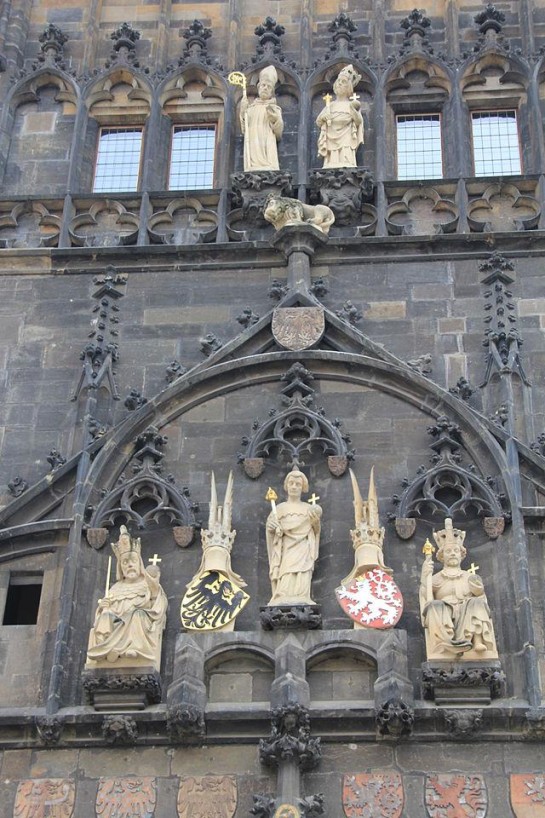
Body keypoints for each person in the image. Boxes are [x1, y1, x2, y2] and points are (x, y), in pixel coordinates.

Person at [86, 526, 167, 668]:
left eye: (133, 561)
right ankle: (106, 648)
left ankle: (134, 648)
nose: (129, 565)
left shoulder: (146, 583)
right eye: (125, 562)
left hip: (138, 619)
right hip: (118, 622)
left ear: (139, 564)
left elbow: (157, 602)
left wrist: (153, 584)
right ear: (120, 567)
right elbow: (108, 609)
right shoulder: (115, 588)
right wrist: (103, 607)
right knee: (105, 616)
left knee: (137, 614)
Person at [419, 519, 498, 661]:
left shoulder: (469, 577)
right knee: (433, 606)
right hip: (445, 612)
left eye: (456, 551)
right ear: (442, 556)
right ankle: (444, 642)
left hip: (467, 611)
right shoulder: (436, 578)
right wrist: (425, 577)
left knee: (476, 603)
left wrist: (478, 591)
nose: (453, 554)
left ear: (461, 555)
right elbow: (426, 595)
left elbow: (481, 597)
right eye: (448, 551)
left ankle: (478, 641)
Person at [266, 468, 322, 605]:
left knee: (302, 572)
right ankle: (282, 595)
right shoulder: (279, 509)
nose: (294, 487)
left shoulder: (308, 508)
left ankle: (302, 596)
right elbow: (271, 531)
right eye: (291, 483)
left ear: (303, 487)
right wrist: (271, 528)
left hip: (303, 547)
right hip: (286, 548)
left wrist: (316, 524)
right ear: (286, 486)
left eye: (298, 484)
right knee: (286, 571)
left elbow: (315, 532)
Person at [316, 64, 364, 168]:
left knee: (345, 152)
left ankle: (347, 163)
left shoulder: (350, 105)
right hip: (331, 135)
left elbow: (358, 121)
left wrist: (353, 110)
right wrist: (324, 117)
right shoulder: (330, 105)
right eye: (339, 81)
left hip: (346, 136)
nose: (340, 84)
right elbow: (319, 121)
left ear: (349, 87)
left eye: (344, 82)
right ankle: (331, 164)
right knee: (332, 154)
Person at [241, 65, 284, 171]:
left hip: (267, 138)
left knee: (267, 154)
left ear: (271, 92)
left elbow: (278, 132)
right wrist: (243, 110)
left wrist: (275, 119)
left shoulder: (274, 108)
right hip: (254, 139)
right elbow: (244, 126)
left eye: (268, 87)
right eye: (263, 85)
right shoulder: (251, 108)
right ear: (258, 88)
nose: (265, 88)